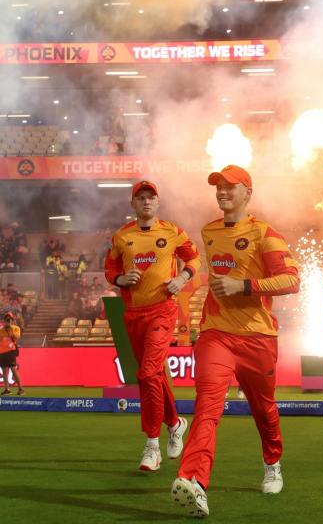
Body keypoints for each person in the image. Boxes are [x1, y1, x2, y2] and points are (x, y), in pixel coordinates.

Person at [171, 165, 300, 518]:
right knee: (207, 408)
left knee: (265, 411)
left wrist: (244, 286)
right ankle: (194, 481)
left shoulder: (266, 234)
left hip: (258, 337)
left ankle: (272, 462)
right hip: (217, 334)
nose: (222, 192)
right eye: (218, 187)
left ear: (247, 192)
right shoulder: (208, 231)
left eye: (230, 186)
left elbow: (291, 280)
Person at [104, 179, 199, 472]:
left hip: (162, 310)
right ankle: (174, 422)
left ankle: (152, 446)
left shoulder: (172, 231)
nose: (146, 202)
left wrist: (182, 279)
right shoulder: (121, 236)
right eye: (140, 197)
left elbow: (193, 258)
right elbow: (110, 268)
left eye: (151, 197)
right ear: (133, 204)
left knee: (146, 372)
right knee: (152, 374)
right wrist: (120, 279)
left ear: (158, 203)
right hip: (133, 313)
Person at [0, 312, 24, 395]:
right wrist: (3, 328)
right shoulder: (1, 329)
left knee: (13, 369)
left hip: (11, 350)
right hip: (2, 351)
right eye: (6, 319)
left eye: (9, 319)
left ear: (12, 320)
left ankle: (20, 389)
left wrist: (10, 328)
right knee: (4, 371)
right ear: (4, 320)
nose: (8, 321)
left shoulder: (16, 328)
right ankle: (7, 389)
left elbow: (16, 337)